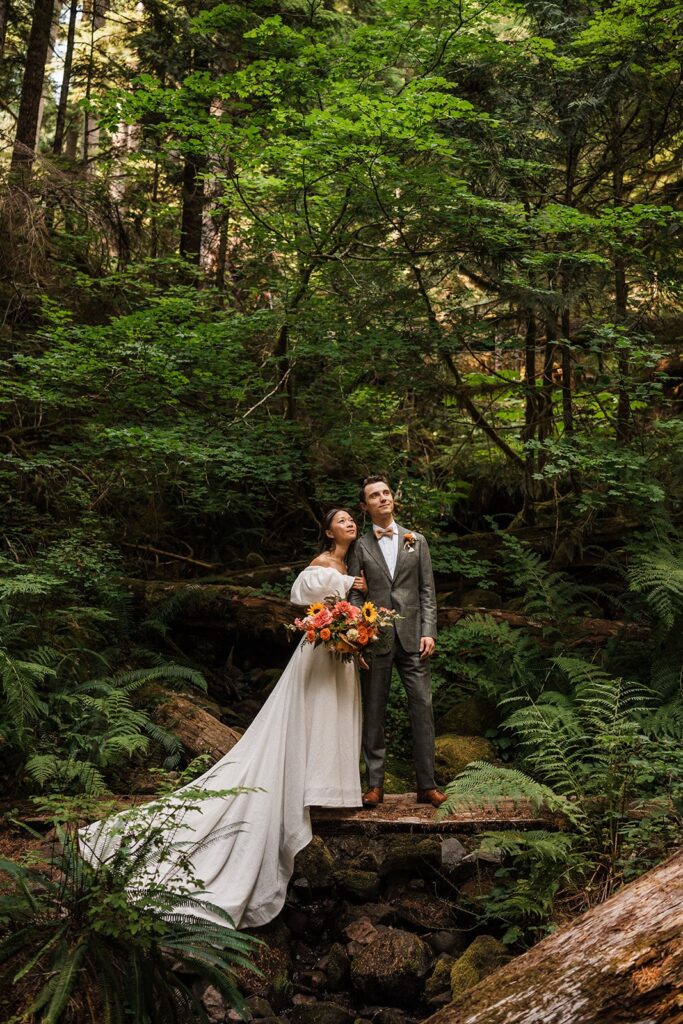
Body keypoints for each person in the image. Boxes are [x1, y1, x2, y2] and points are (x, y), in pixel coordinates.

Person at [80, 509, 367, 929]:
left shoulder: (351, 563)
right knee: (313, 714)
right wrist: (336, 603)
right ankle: (303, 783)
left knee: (334, 714)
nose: (349, 524)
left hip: (340, 651)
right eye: (341, 521)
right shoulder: (324, 564)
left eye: (350, 520)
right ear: (327, 531)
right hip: (319, 649)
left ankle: (329, 784)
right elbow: (301, 598)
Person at [347, 475, 446, 809]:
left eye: (386, 492)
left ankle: (427, 785)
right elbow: (354, 596)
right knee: (373, 712)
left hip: (414, 639)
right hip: (376, 640)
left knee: (423, 709)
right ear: (365, 506)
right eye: (375, 496)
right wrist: (359, 639)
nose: (383, 498)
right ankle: (374, 784)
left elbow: (427, 591)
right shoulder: (359, 546)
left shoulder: (416, 541)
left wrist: (429, 630)